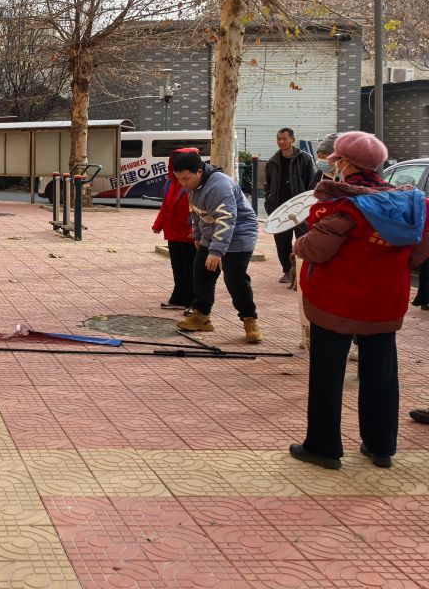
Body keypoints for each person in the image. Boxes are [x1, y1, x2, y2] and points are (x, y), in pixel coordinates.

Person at [290, 131, 429, 469]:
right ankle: (381, 447)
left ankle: (323, 447)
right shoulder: (412, 202)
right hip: (385, 302)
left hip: (336, 302)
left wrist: (299, 243)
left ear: (347, 163)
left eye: (336, 159)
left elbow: (316, 250)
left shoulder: (345, 206)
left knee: (327, 375)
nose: (334, 165)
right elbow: (419, 252)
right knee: (382, 374)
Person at [173, 152, 262, 343]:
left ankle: (250, 320)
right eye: (179, 179)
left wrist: (216, 251)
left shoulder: (219, 185)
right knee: (201, 273)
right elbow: (195, 212)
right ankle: (201, 317)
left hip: (239, 233)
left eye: (185, 179)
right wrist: (198, 236)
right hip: (212, 233)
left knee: (235, 279)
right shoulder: (192, 186)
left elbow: (226, 219)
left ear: (199, 172)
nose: (182, 183)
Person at [264, 128, 316, 283]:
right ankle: (287, 271)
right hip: (279, 209)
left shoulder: (304, 158)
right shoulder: (272, 162)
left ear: (293, 140)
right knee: (282, 242)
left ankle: (305, 270)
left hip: (301, 208)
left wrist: (309, 204)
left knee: (304, 240)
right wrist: (269, 201)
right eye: (279, 139)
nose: (281, 142)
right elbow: (268, 185)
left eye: (285, 138)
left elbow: (312, 182)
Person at [151, 148, 198, 311]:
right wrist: (158, 224)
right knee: (178, 269)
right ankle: (179, 298)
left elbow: (198, 209)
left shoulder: (193, 182)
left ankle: (192, 302)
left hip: (189, 234)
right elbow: (165, 205)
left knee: (190, 269)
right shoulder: (171, 182)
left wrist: (195, 230)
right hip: (173, 232)